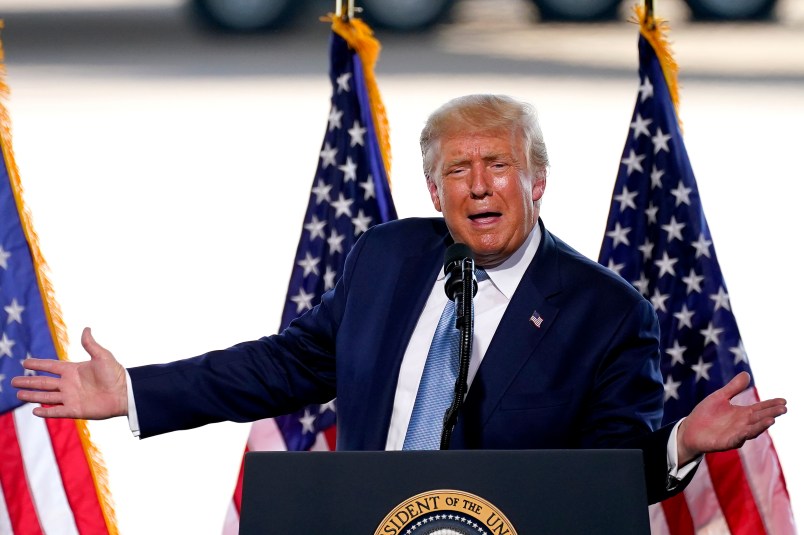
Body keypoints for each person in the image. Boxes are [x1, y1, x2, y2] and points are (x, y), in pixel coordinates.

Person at [12, 94, 786, 505]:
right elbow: (288, 364)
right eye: (457, 169)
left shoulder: (607, 312)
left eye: (498, 164)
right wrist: (136, 390)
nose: (478, 184)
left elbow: (608, 474)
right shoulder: (386, 257)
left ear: (537, 181)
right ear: (434, 189)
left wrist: (681, 440)